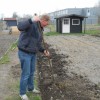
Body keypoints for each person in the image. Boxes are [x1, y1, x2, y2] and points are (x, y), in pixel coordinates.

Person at [17, 14, 50, 100]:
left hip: (33, 53)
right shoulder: (32, 23)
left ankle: (30, 88)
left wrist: (43, 50)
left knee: (32, 72)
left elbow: (38, 43)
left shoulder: (40, 29)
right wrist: (31, 20)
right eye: (47, 22)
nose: (47, 24)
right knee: (26, 74)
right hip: (25, 52)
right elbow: (20, 26)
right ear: (43, 20)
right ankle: (22, 93)